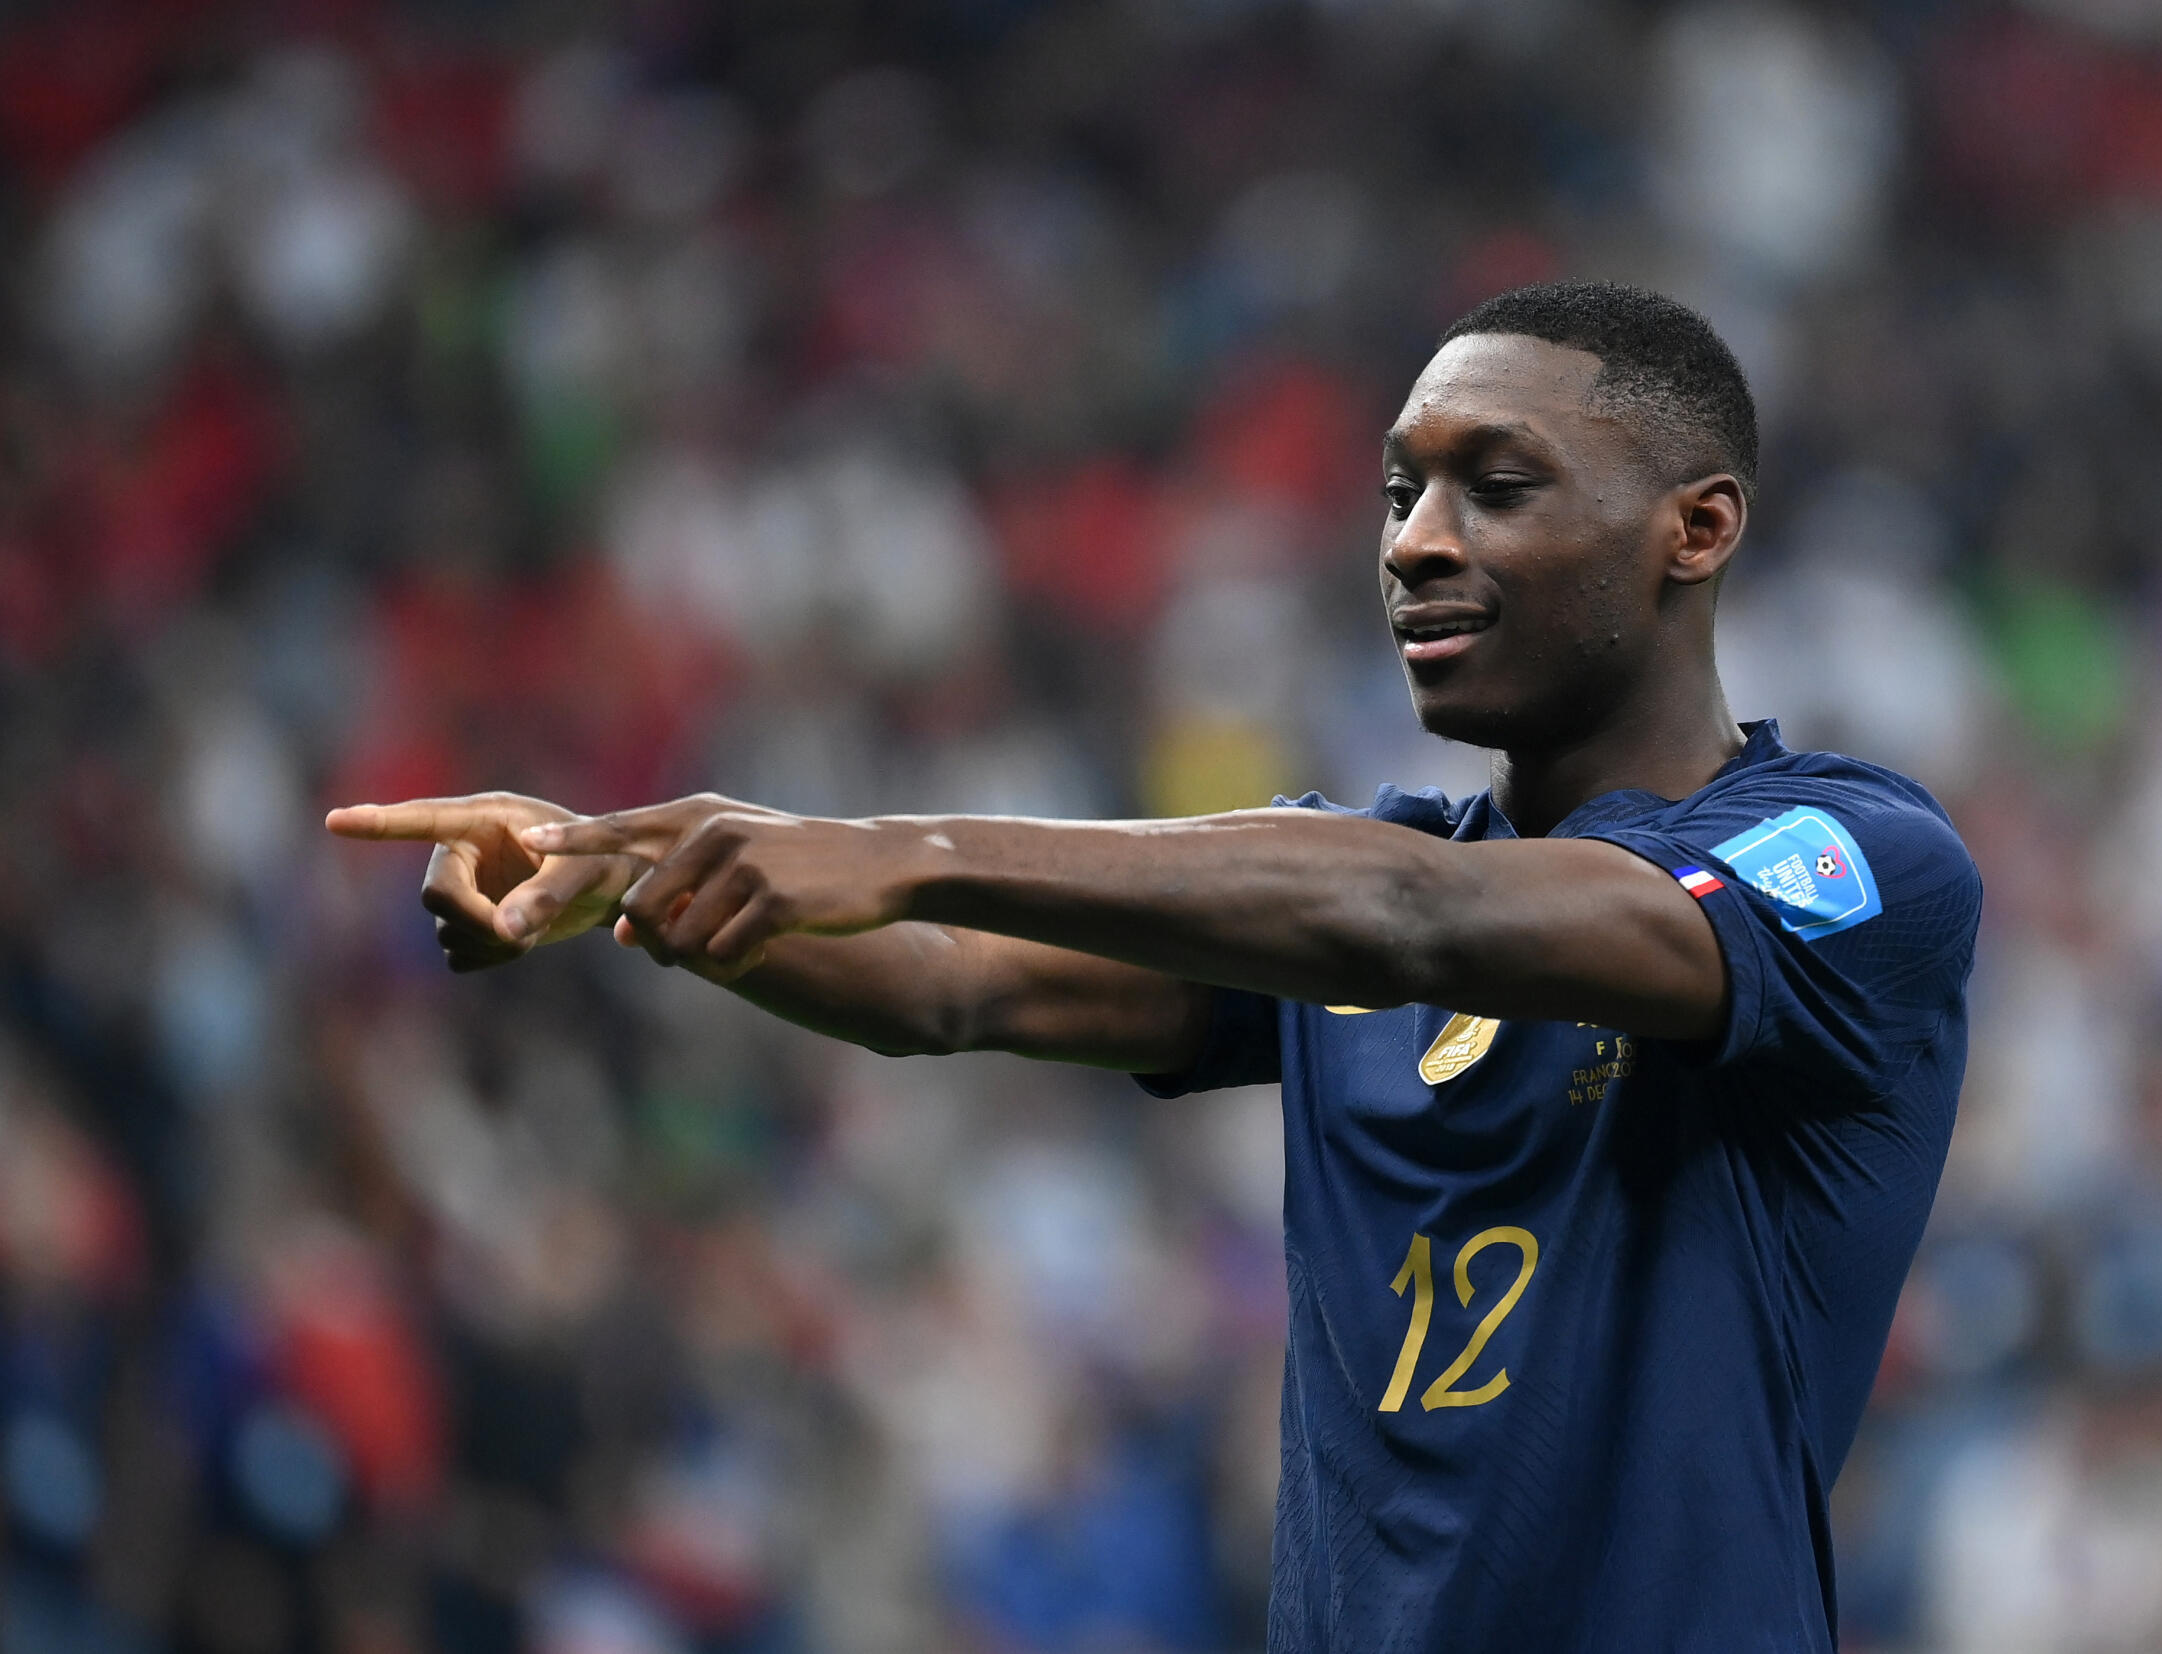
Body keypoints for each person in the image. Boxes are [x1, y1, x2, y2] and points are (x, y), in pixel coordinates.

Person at [329, 280, 1980, 1653]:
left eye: (1499, 482)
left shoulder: (1851, 864)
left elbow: (1417, 919)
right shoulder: (1329, 894)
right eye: (1400, 486)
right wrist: (631, 876)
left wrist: (904, 837)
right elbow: (955, 982)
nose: (1413, 539)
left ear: (1696, 528)